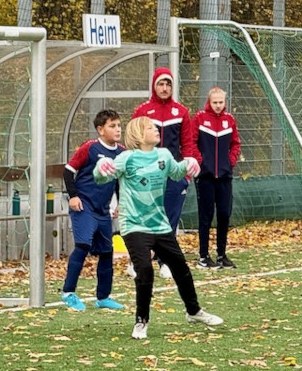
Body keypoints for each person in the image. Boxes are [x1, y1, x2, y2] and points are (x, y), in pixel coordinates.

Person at [94, 116, 224, 340]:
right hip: (134, 225)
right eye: (151, 128)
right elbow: (101, 177)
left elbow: (176, 171)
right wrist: (100, 167)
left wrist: (189, 165)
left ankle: (194, 312)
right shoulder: (127, 158)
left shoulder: (163, 155)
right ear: (138, 134)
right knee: (144, 270)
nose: (157, 130)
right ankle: (141, 321)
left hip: (160, 224)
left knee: (181, 269)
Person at [60, 109, 126, 312]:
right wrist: (73, 196)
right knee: (83, 245)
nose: (117, 129)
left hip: (103, 209)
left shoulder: (121, 152)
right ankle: (68, 293)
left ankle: (103, 297)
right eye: (112, 126)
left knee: (107, 251)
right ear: (100, 129)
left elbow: (118, 180)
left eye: (118, 126)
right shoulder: (90, 148)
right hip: (84, 206)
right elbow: (68, 171)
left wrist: (120, 203)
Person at [132, 68, 190, 278]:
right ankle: (138, 260)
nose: (164, 88)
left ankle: (165, 261)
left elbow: (188, 143)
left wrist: (186, 173)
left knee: (169, 219)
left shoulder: (181, 111)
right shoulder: (143, 110)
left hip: (173, 176)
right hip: (148, 174)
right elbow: (133, 142)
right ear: (154, 86)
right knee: (145, 216)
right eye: (161, 84)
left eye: (168, 84)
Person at [183, 87, 242, 270]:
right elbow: (191, 141)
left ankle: (222, 255)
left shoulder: (229, 120)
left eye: (221, 102)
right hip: (205, 177)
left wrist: (230, 161)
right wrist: (200, 162)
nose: (218, 106)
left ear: (225, 102)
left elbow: (235, 144)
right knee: (205, 217)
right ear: (209, 102)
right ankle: (203, 256)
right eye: (215, 102)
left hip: (225, 176)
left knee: (224, 214)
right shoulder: (200, 118)